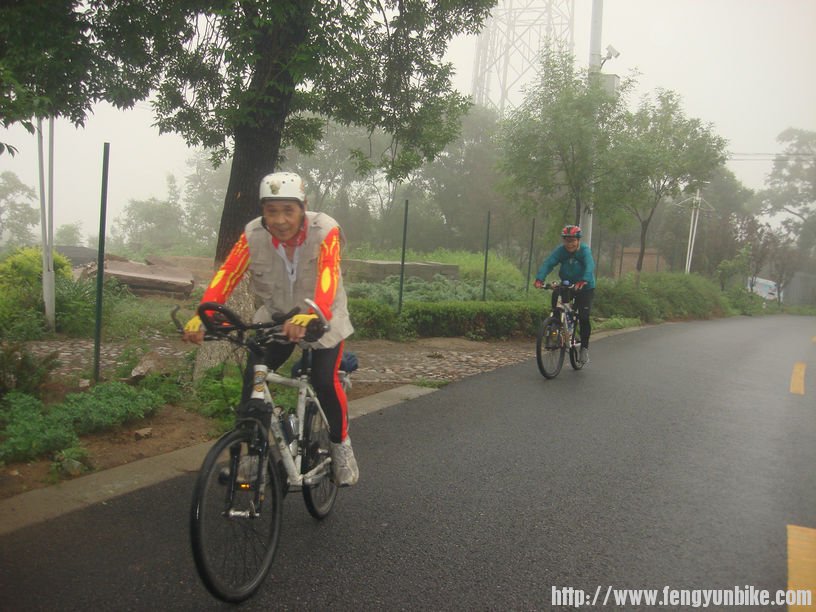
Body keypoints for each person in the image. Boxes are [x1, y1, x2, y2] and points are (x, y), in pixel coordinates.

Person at [183, 171, 359, 486]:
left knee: (323, 379)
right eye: (271, 211)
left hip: (323, 315)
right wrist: (204, 312)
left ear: (303, 207)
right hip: (276, 317)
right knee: (254, 378)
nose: (279, 220)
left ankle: (340, 444)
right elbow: (228, 273)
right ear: (263, 211)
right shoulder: (253, 234)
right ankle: (253, 458)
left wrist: (313, 313)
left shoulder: (325, 230)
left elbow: (328, 274)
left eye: (288, 210)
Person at [533, 224, 596, 364]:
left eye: (573, 240)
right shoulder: (561, 251)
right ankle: (555, 330)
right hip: (567, 284)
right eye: (567, 241)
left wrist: (584, 280)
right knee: (557, 305)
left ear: (578, 240)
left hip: (585, 287)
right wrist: (539, 278)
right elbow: (549, 263)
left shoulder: (584, 251)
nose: (570, 244)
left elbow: (590, 265)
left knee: (584, 317)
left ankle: (584, 348)